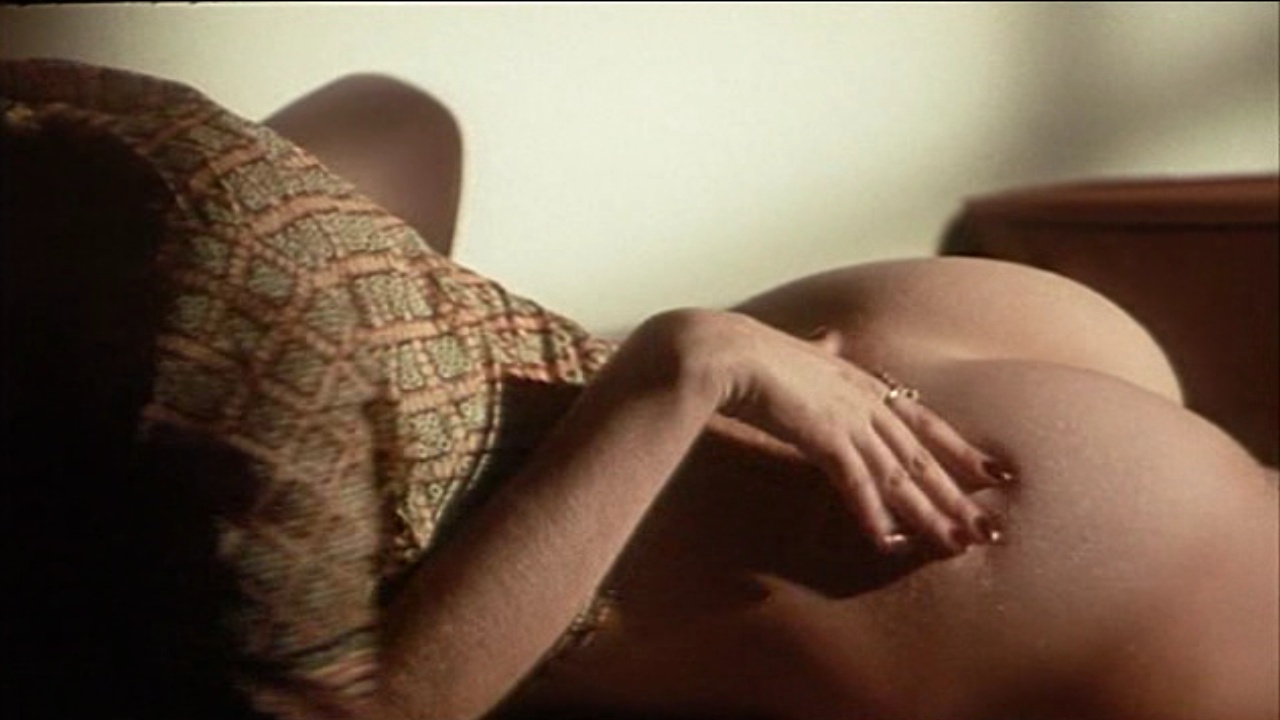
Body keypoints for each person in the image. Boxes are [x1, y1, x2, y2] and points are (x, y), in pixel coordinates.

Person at [3, 63, 1276, 720]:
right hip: (255, 312)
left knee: (389, 124)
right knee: (389, 126)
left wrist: (688, 367)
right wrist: (686, 369)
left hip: (260, 300)